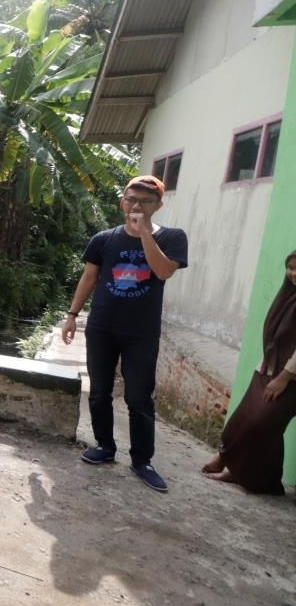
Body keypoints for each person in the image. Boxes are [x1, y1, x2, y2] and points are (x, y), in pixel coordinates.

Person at [61, 174, 189, 492]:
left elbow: (163, 271)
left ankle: (142, 461)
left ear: (158, 205)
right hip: (102, 327)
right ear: (122, 203)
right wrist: (72, 315)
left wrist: (144, 232)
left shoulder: (173, 237)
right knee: (99, 391)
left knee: (138, 397)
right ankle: (105, 446)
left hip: (141, 332)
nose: (137, 206)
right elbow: (89, 278)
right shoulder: (103, 240)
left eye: (146, 201)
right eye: (132, 199)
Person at [202, 250, 296, 494]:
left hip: (289, 377)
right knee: (242, 419)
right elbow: (275, 338)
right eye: (290, 268)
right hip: (268, 369)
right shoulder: (288, 295)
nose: (293, 274)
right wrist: (266, 368)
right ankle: (230, 462)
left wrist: (284, 377)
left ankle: (247, 473)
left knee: (261, 424)